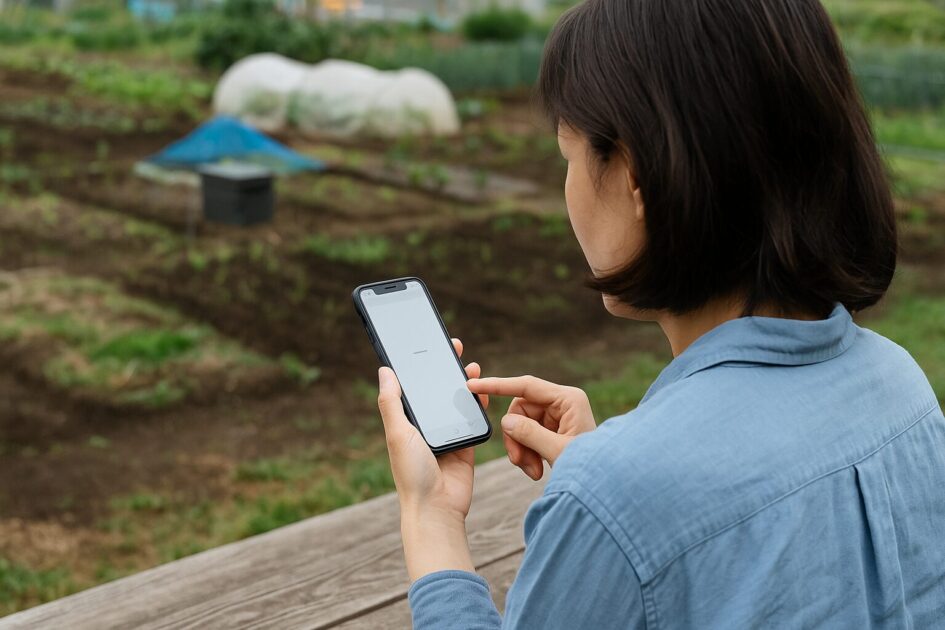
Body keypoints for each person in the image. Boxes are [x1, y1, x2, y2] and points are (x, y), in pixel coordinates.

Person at [375, 0, 945, 627]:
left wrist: (434, 522)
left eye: (568, 155)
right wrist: (620, 474)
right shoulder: (901, 385)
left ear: (635, 174)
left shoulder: (616, 497)